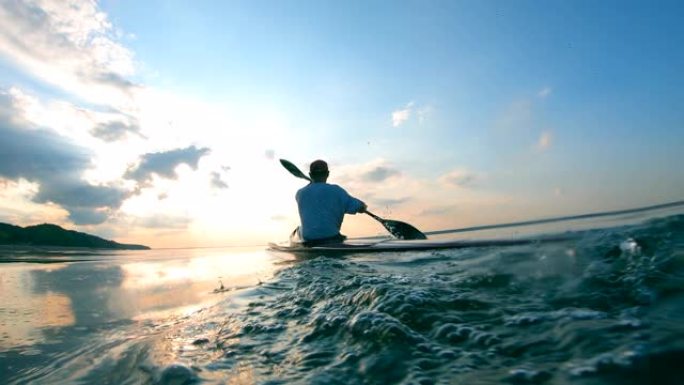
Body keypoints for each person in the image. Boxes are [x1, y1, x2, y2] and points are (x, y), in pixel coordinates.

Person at [295, 159, 367, 245]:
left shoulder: (300, 193)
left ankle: (297, 244)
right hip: (332, 238)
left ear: (310, 175)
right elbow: (361, 207)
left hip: (309, 240)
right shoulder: (337, 191)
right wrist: (362, 207)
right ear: (327, 174)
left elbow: (314, 197)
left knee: (298, 230)